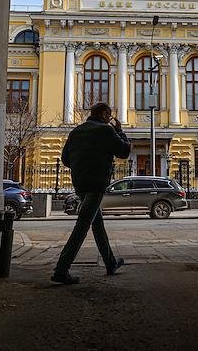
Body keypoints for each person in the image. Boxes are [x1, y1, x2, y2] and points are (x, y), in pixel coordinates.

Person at [51, 102, 131, 284]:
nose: (110, 119)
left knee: (97, 224)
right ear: (104, 114)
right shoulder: (105, 131)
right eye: (109, 116)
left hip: (80, 183)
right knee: (83, 225)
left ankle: (110, 263)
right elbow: (125, 151)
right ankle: (61, 269)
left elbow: (65, 159)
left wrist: (81, 165)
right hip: (97, 184)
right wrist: (119, 130)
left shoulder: (76, 131)